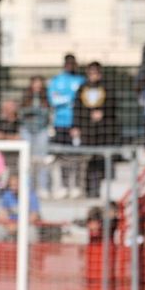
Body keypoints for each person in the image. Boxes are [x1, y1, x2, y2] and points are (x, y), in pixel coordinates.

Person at [73, 61, 119, 197]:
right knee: (88, 161)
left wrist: (103, 112)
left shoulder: (107, 88)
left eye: (96, 72)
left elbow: (113, 105)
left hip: (103, 132)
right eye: (91, 72)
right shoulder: (82, 88)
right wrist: (76, 126)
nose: (93, 75)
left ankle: (101, 189)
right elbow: (77, 108)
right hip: (87, 131)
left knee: (102, 161)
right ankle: (88, 190)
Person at [48, 53, 86, 196]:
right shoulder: (57, 80)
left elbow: (82, 100)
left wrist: (65, 98)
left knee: (76, 155)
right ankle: (64, 186)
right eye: (68, 63)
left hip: (76, 124)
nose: (70, 66)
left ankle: (76, 185)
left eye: (72, 63)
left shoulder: (81, 80)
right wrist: (70, 98)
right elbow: (53, 100)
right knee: (62, 155)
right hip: (60, 123)